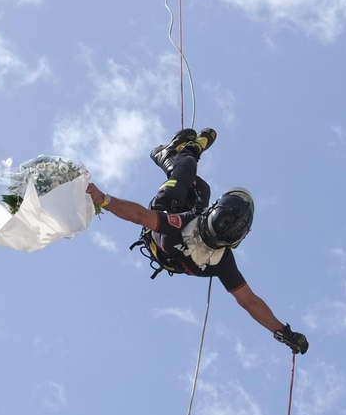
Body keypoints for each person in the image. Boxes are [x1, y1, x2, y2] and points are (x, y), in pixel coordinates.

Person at [86, 128, 309, 355]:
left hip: (164, 220)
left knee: (185, 173)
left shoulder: (185, 224)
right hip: (171, 246)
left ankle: (185, 151)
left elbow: (140, 216)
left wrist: (103, 199)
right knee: (200, 187)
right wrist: (285, 333)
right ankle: (173, 156)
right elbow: (248, 301)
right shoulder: (223, 261)